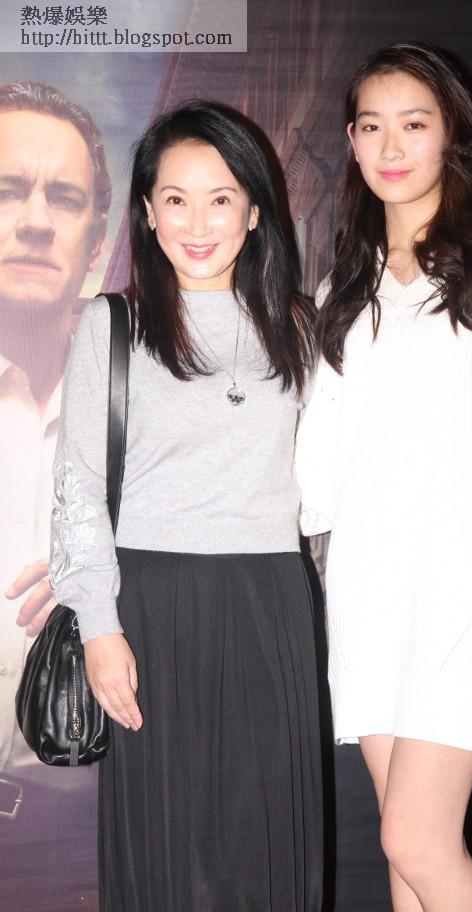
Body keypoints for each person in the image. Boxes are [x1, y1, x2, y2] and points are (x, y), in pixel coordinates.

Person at [295, 43, 472, 912]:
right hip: (368, 583)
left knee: (414, 838)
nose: (391, 146)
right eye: (371, 126)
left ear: (452, 132)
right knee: (409, 856)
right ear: (351, 140)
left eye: (414, 124)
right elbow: (322, 461)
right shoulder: (342, 286)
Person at [48, 100, 323, 911]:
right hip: (151, 607)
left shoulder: (301, 328)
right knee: (165, 846)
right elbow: (77, 486)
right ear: (146, 210)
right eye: (175, 199)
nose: (197, 224)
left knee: (265, 842)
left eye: (220, 198)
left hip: (270, 599)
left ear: (255, 211)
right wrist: (100, 627)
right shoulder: (113, 324)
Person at [0, 80, 110, 908]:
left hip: (88, 840)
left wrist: (119, 584)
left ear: (97, 239)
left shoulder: (144, 408)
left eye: (64, 198)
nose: (35, 219)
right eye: (8, 189)